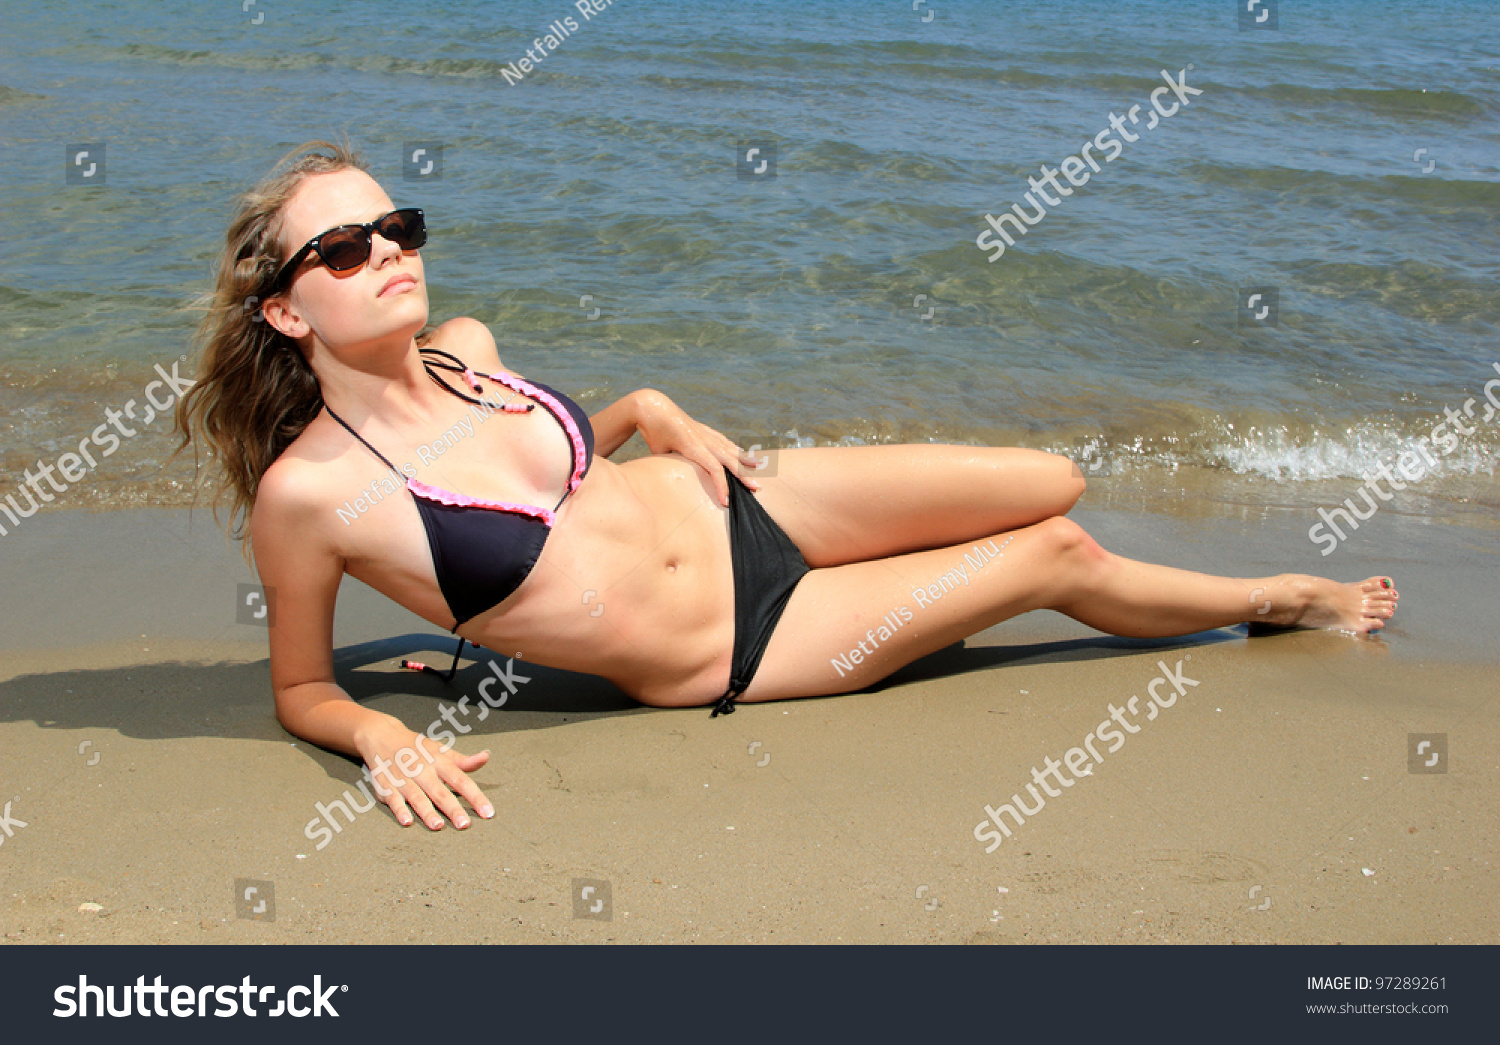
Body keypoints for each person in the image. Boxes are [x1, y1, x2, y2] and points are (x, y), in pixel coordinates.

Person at [175, 141, 1398, 834]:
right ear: (287, 309)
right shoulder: (310, 494)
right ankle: (1283, 596)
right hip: (741, 642)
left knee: (1050, 475)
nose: (387, 253)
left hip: (737, 502)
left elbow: (565, 470)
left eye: (398, 225)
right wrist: (381, 735)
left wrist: (651, 409)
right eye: (344, 248)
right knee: (1058, 554)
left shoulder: (472, 349)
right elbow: (297, 685)